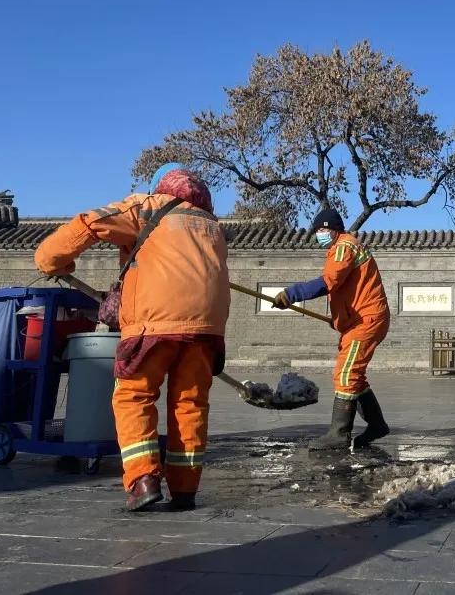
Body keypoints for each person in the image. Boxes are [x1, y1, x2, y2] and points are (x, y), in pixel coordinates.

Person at [34, 163, 229, 512]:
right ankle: (185, 490)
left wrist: (50, 259)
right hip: (206, 329)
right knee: (190, 405)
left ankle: (143, 480)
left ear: (161, 187)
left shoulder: (149, 207)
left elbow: (89, 222)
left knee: (134, 397)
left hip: (155, 325)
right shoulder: (210, 224)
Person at [273, 208, 390, 450]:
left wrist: (291, 293)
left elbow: (329, 281)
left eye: (323, 229)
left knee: (346, 375)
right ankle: (377, 424)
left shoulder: (344, 247)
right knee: (354, 375)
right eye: (317, 231)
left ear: (334, 229)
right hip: (358, 320)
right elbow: (346, 290)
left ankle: (339, 434)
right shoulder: (342, 247)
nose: (320, 234)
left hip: (366, 321)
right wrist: (338, 319)